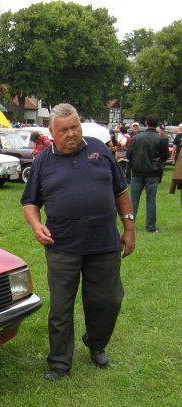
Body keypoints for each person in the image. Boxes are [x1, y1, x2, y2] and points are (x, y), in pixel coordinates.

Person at [20, 103, 135, 381]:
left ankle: (96, 344)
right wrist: (37, 226)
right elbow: (29, 202)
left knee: (107, 301)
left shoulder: (100, 149)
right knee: (61, 307)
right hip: (62, 247)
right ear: (51, 132)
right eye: (64, 130)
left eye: (75, 127)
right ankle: (59, 362)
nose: (71, 134)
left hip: (104, 244)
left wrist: (129, 227)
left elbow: (121, 191)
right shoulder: (43, 161)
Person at [126, 114, 169, 233]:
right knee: (151, 200)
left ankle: (130, 225)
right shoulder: (161, 139)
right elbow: (165, 156)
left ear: (146, 123)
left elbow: (129, 155)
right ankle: (150, 226)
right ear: (157, 125)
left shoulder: (136, 138)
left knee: (133, 200)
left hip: (137, 172)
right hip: (153, 173)